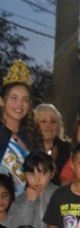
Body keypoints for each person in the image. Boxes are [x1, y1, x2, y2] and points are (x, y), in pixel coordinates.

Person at [0, 60, 39, 195]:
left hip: (26, 207)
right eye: (14, 98)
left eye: (25, 100)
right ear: (2, 101)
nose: (19, 104)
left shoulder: (32, 137)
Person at [34, 104, 72, 184]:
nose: (49, 125)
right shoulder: (29, 146)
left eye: (53, 121)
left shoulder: (67, 149)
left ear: (59, 126)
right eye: (43, 121)